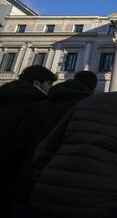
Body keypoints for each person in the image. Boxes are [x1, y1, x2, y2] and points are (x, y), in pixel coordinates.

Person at [29, 76, 117, 218]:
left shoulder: (88, 101)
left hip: (50, 190)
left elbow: (46, 146)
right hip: (102, 199)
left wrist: (40, 176)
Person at [12, 71, 98, 217]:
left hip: (28, 176)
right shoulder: (89, 109)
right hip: (64, 181)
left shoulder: (42, 104)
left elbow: (20, 141)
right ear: (92, 89)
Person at [0, 65, 57, 217]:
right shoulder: (40, 105)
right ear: (37, 83)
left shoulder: (4, 95)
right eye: (49, 85)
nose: (50, 89)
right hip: (16, 173)